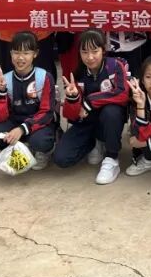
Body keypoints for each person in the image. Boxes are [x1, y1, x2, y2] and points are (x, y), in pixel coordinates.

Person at [53, 30, 130, 185]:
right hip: (87, 123)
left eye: (95, 51)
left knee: (111, 111)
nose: (90, 57)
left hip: (109, 120)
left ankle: (112, 158)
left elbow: (122, 94)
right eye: (85, 52)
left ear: (103, 50)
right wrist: (73, 98)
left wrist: (89, 102)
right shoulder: (77, 73)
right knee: (61, 159)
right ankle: (94, 142)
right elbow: (71, 116)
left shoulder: (115, 66)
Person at [0, 31, 57, 171]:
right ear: (11, 54)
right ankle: (22, 146)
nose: (20, 58)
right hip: (14, 122)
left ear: (35, 54)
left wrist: (22, 129)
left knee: (40, 141)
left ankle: (43, 150)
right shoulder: (6, 79)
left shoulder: (44, 77)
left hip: (39, 125)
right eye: (16, 52)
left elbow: (47, 113)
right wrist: (0, 92)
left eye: (26, 53)